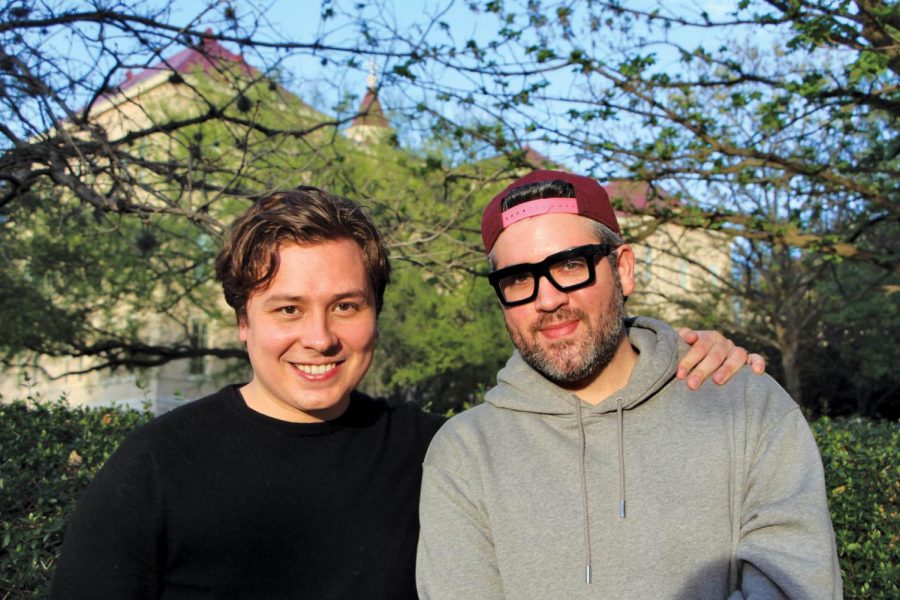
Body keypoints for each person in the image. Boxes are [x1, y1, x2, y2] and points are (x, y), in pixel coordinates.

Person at [49, 186, 761, 599]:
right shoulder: (157, 468)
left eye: (347, 306)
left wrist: (675, 355)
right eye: (288, 309)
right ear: (243, 323)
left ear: (376, 314)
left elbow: (583, 437)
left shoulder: (435, 453)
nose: (320, 338)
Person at [416, 170, 841, 599]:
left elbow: (796, 586)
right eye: (519, 279)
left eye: (569, 264)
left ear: (623, 270)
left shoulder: (744, 403)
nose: (547, 299)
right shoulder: (465, 454)